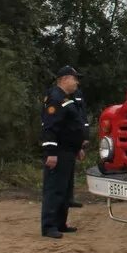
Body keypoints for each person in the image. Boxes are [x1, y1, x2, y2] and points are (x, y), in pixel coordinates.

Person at [40, 66, 86, 239]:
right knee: (54, 189)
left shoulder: (67, 98)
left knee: (65, 190)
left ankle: (60, 223)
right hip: (57, 152)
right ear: (65, 79)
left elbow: (72, 126)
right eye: (75, 79)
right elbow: (50, 127)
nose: (77, 82)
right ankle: (49, 226)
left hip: (68, 151)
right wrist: (50, 152)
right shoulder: (55, 98)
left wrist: (78, 148)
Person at [66, 84, 90, 209]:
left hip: (76, 137)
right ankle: (63, 199)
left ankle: (69, 198)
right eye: (73, 79)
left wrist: (85, 136)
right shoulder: (59, 96)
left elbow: (82, 117)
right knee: (63, 172)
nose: (76, 82)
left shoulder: (78, 94)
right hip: (65, 140)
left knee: (71, 170)